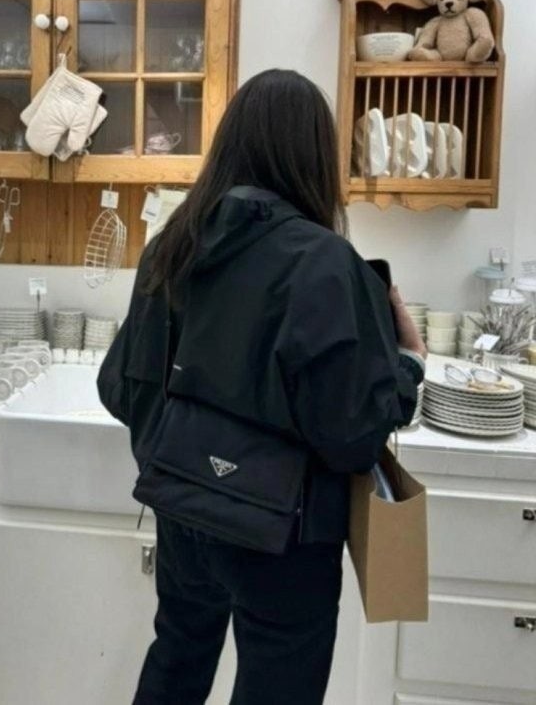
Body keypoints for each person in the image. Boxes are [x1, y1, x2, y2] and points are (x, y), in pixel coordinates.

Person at [97, 69, 426, 705]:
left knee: (176, 661)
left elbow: (120, 388)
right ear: (314, 158)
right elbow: (353, 436)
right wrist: (409, 366)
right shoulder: (326, 263)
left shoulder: (172, 247)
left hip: (183, 511)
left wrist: (190, 457)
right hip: (285, 538)